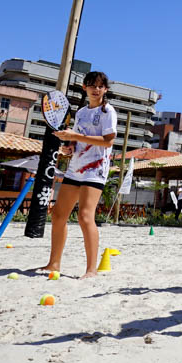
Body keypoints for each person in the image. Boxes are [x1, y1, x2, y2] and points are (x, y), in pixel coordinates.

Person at [34, 71, 118, 279]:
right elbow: (78, 140)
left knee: (85, 216)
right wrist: (70, 145)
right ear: (85, 88)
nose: (96, 89)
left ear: (105, 89)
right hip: (75, 167)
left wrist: (76, 136)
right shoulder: (80, 113)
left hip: (95, 170)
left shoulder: (108, 111)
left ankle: (91, 270)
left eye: (100, 86)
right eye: (92, 85)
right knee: (59, 215)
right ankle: (54, 263)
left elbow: (108, 142)